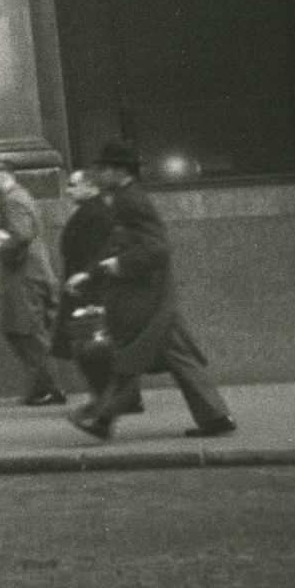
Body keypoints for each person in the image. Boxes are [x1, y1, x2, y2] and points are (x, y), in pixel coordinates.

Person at [67, 142, 236, 441]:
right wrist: (91, 272)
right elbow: (120, 243)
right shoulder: (124, 198)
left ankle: (103, 419)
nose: (99, 174)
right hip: (152, 294)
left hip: (146, 296)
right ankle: (215, 417)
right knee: (173, 355)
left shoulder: (131, 201)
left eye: (104, 169)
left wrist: (117, 265)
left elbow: (156, 248)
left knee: (131, 355)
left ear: (120, 171)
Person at [53, 169, 141, 413]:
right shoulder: (91, 211)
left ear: (90, 186)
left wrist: (86, 279)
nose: (68, 190)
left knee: (93, 344)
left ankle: (113, 399)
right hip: (87, 283)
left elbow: (93, 252)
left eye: (73, 185)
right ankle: (117, 398)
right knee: (95, 344)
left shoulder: (94, 213)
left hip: (88, 287)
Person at [0, 162, 63, 406]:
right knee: (24, 331)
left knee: (28, 332)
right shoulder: (19, 198)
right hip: (29, 273)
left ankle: (50, 388)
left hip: (26, 275)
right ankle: (43, 387)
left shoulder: (13, 201)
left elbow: (22, 235)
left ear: (4, 176)